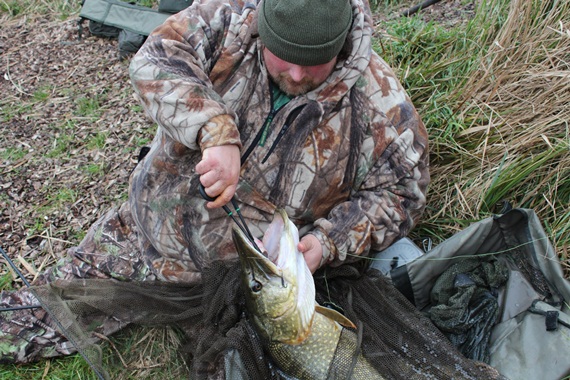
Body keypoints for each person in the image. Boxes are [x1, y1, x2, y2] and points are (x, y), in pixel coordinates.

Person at [0, 0, 429, 367]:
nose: (297, 75)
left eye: (314, 61)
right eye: (283, 55)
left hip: (248, 283)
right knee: (30, 318)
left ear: (342, 44)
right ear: (263, 26)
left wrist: (329, 242)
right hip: (143, 233)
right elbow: (155, 58)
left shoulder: (381, 106)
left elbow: (401, 194)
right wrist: (215, 128)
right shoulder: (227, 21)